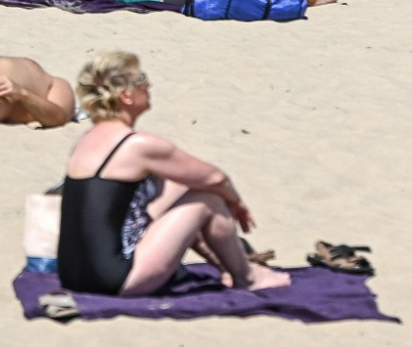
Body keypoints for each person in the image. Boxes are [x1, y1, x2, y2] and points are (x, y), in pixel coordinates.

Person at [56, 50, 293, 296]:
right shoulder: (137, 145)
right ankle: (247, 277)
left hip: (73, 277)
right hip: (116, 279)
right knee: (208, 200)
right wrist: (236, 204)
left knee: (179, 187)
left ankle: (227, 267)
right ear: (125, 95)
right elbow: (215, 178)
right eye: (141, 79)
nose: (149, 84)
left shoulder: (86, 140)